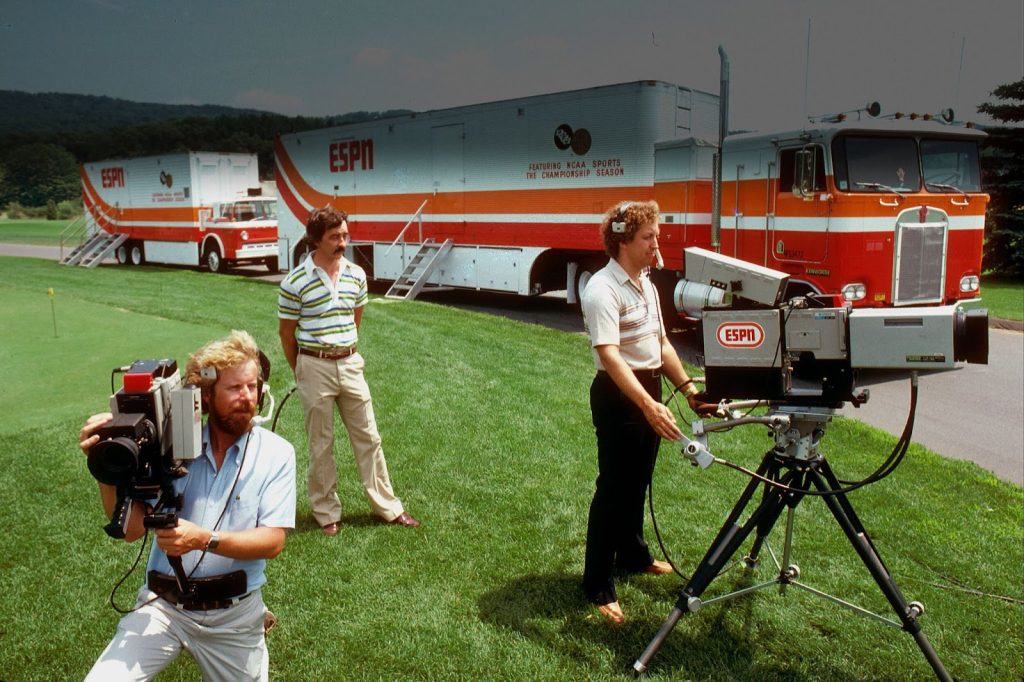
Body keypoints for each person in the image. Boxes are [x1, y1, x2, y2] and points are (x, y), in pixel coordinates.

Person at [79, 330, 296, 681]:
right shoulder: (168, 446)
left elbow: (273, 542)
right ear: (205, 396)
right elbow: (132, 531)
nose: (247, 397)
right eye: (234, 388)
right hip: (163, 607)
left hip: (234, 618)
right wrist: (106, 469)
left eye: (253, 387)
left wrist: (203, 539)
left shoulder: (277, 453)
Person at [580, 200, 717, 624]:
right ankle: (597, 582)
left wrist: (689, 390)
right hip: (620, 395)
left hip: (650, 389)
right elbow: (611, 356)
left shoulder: (646, 282)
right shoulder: (602, 289)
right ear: (623, 241)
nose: (657, 243)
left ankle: (633, 556)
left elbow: (661, 346)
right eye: (649, 237)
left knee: (638, 480)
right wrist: (647, 404)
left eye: (656, 235)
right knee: (614, 488)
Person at [278, 206, 419, 535]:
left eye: (344, 234)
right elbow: (287, 334)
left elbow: (355, 320)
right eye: (334, 237)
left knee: (369, 437)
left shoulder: (356, 274)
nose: (343, 242)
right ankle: (327, 513)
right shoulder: (294, 282)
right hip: (314, 366)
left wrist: (345, 352)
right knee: (321, 444)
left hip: (351, 363)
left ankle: (388, 507)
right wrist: (302, 369)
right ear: (316, 240)